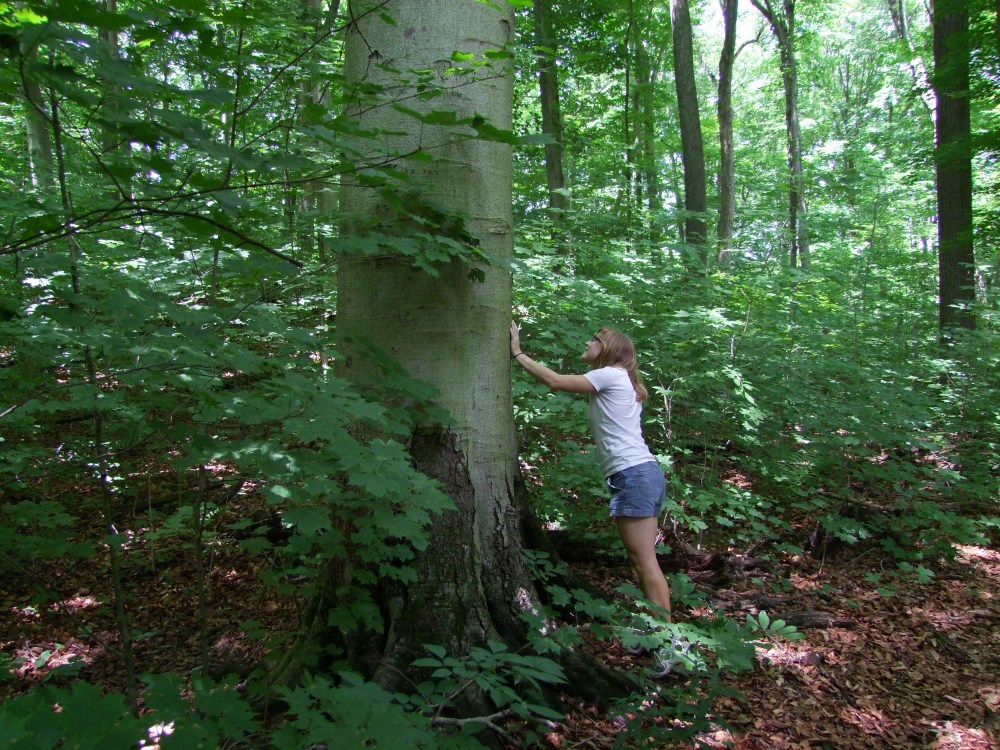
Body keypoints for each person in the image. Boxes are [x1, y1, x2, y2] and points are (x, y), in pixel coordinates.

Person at [510, 321, 671, 621]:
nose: (587, 343)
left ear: (607, 350)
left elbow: (555, 381)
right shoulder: (621, 379)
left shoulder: (611, 375)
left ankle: (669, 640)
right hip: (643, 474)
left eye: (594, 339)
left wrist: (518, 353)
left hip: (634, 475)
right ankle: (657, 633)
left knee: (644, 561)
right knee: (642, 560)